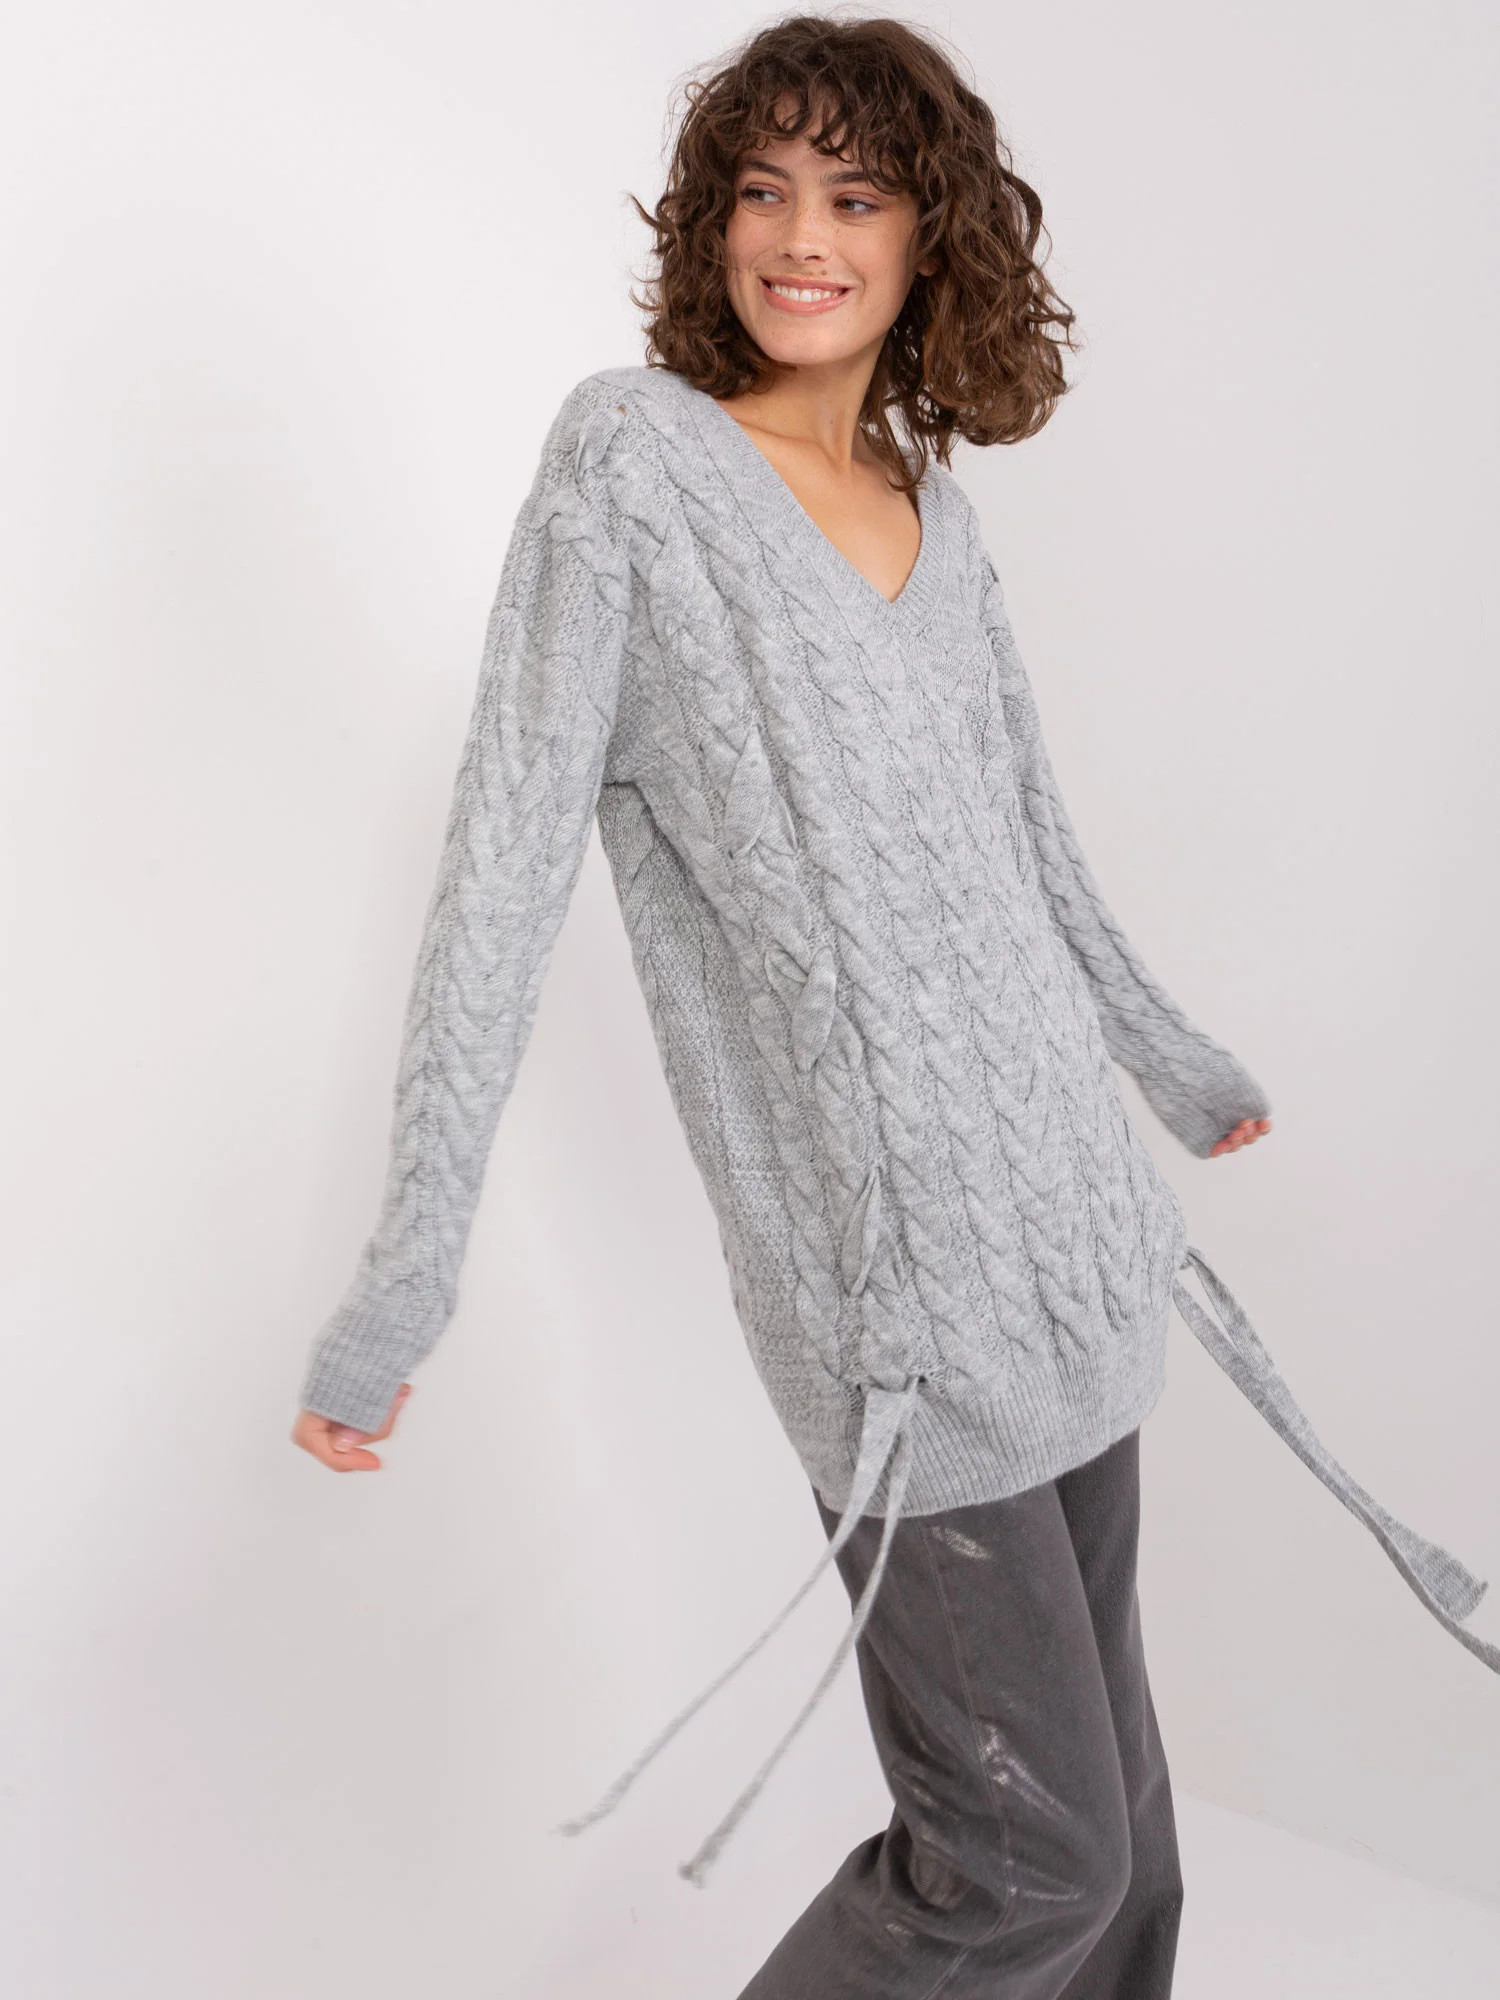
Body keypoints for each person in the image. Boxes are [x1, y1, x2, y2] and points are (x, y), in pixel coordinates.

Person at [289, 16, 1497, 1997]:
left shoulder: (933, 501)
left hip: (1074, 1244)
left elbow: (1026, 837)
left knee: (1126, 1863)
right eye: (763, 190)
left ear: (932, 236)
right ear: (711, 224)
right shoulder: (635, 466)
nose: (802, 236)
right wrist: (405, 1282)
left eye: (854, 196)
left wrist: (1167, 1060)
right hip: (897, 1315)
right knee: (1023, 1860)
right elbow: (500, 869)